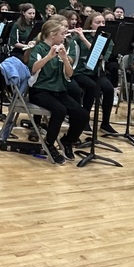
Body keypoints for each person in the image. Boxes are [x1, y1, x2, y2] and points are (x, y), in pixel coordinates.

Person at [27, 17, 91, 162]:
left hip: (59, 91)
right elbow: (33, 69)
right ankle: (49, 143)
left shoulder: (62, 49)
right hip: (40, 91)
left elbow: (70, 74)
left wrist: (65, 58)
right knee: (60, 110)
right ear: (52, 34)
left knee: (82, 114)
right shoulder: (39, 48)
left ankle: (67, 141)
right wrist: (49, 57)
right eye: (63, 34)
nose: (65, 37)